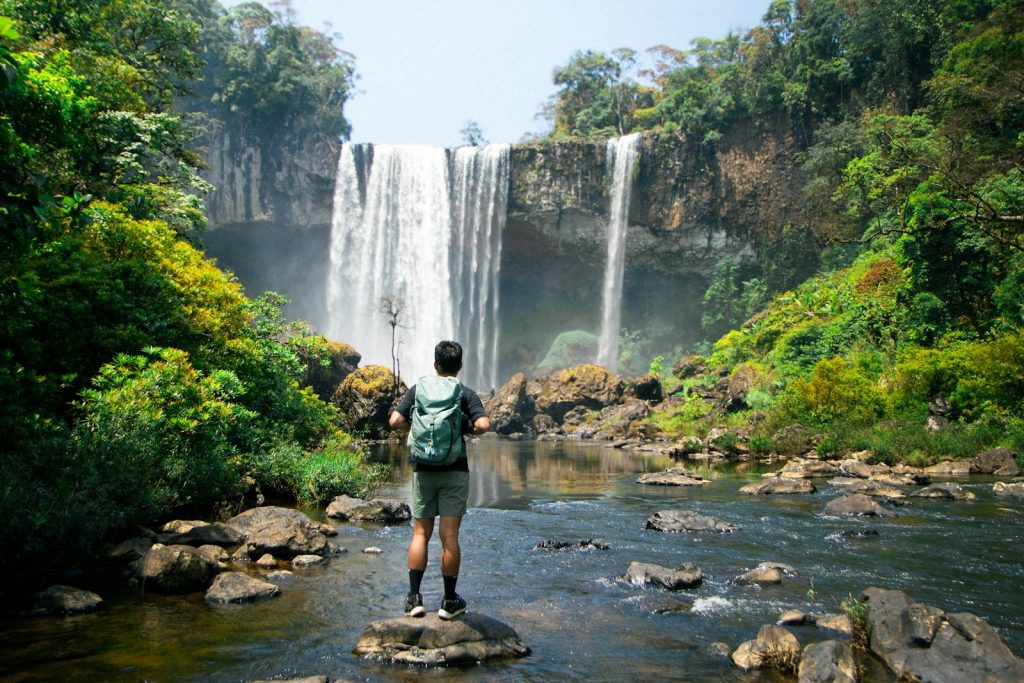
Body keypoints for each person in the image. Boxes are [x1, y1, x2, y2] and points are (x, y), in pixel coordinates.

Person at [388, 340, 490, 620]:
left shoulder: (418, 390)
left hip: (423, 470)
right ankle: (448, 601)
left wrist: (416, 427)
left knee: (420, 533)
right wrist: (462, 428)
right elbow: (484, 425)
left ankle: (413, 599)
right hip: (455, 470)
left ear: (435, 365)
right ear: (459, 366)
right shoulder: (464, 393)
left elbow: (394, 421)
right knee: (449, 536)